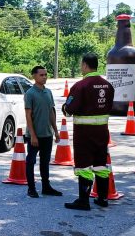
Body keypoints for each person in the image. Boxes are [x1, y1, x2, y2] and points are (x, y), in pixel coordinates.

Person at [62, 53, 114, 210]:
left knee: (84, 165)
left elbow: (69, 109)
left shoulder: (80, 86)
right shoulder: (108, 85)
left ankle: (83, 201)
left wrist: (65, 108)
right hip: (102, 132)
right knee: (101, 164)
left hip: (84, 133)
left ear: (85, 65)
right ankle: (103, 198)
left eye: (81, 64)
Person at [24, 65, 62, 198]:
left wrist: (56, 131)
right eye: (41, 75)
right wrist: (33, 135)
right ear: (34, 76)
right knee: (31, 161)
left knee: (45, 162)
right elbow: (28, 115)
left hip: (47, 134)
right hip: (34, 135)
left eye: (46, 75)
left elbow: (51, 112)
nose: (44, 77)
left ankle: (46, 187)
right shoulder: (30, 93)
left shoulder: (48, 92)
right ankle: (31, 188)